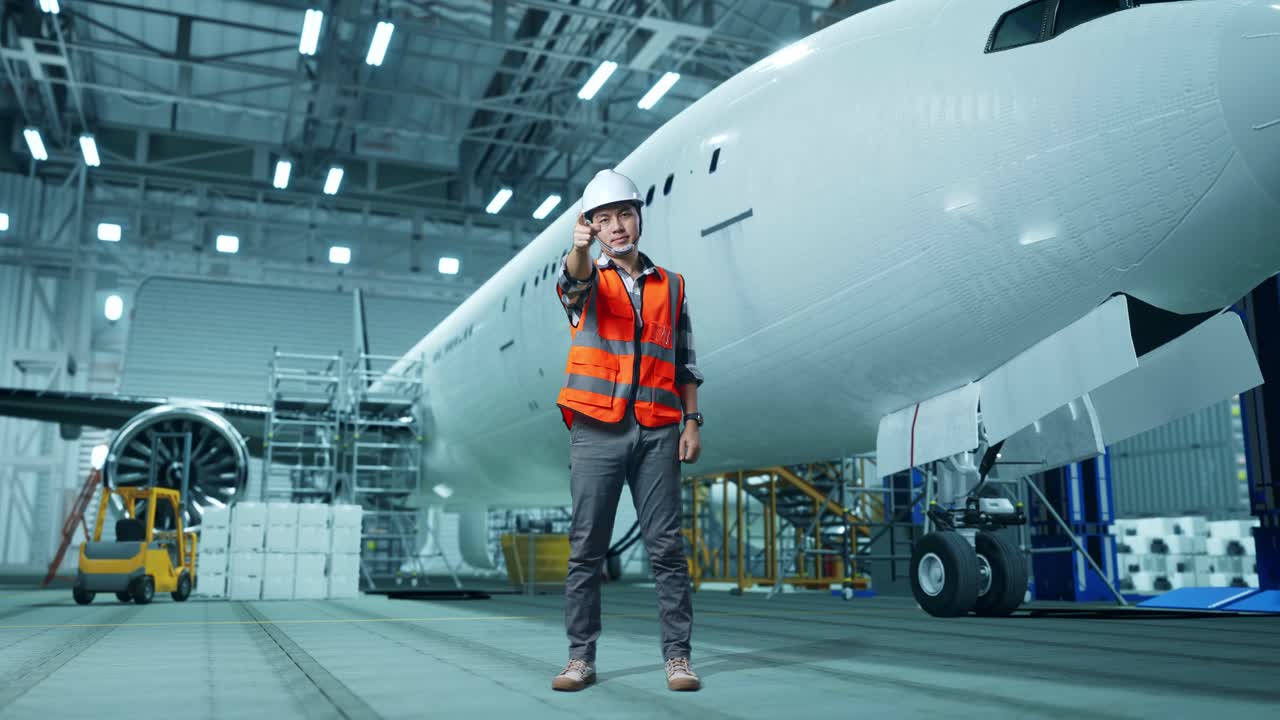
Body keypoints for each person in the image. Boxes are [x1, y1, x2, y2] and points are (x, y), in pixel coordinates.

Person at [551, 168, 705, 693]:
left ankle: (678, 658)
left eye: (624, 214)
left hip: (658, 428)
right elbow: (572, 284)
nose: (616, 226)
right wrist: (577, 251)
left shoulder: (672, 286)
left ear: (638, 218)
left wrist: (691, 421)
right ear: (591, 227)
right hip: (597, 428)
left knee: (667, 550)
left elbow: (685, 362)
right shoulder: (587, 277)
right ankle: (580, 659)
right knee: (586, 549)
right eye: (604, 219)